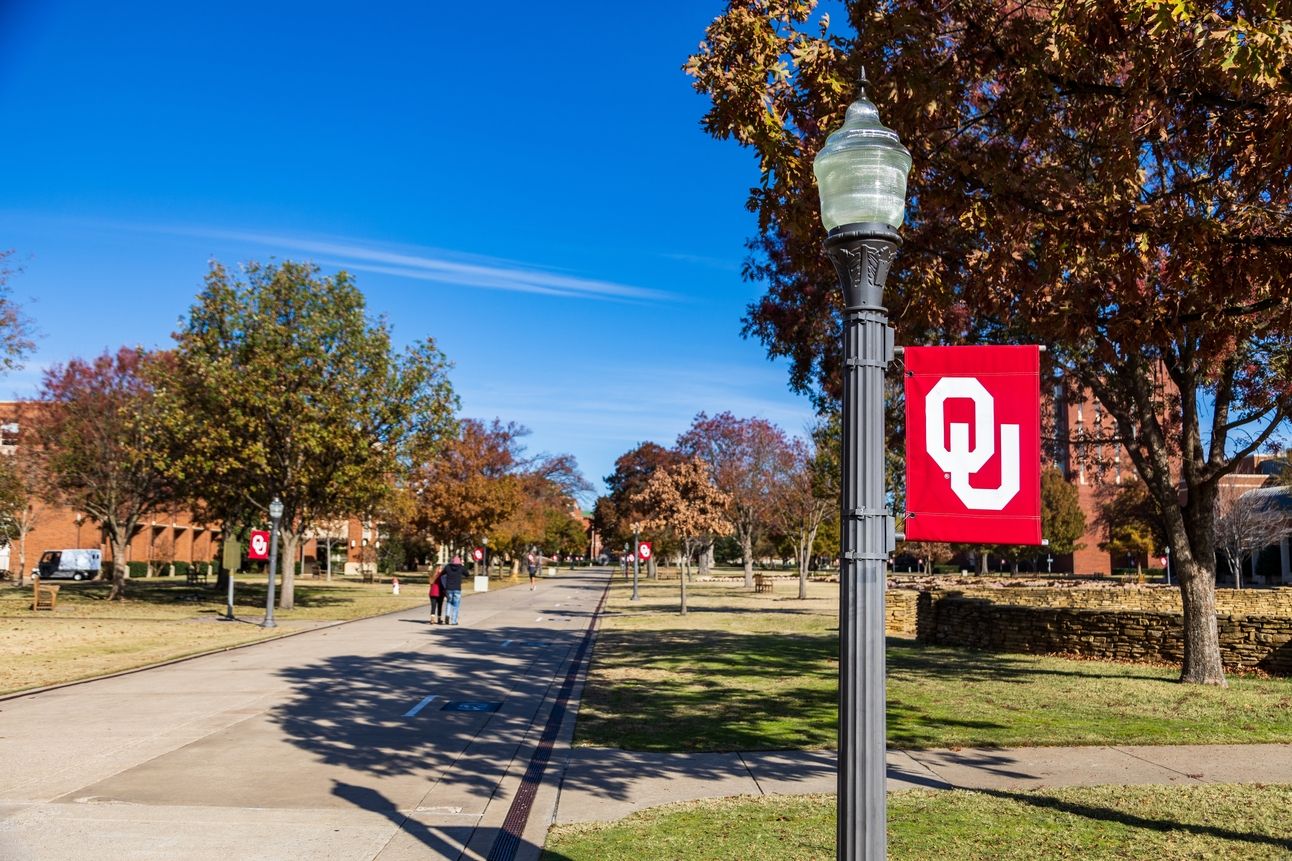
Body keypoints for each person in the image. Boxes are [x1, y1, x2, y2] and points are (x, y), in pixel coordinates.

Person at [438, 555, 467, 625]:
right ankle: (454, 621)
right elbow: (467, 574)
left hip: (448, 588)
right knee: (456, 605)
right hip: (457, 588)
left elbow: (441, 574)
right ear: (459, 562)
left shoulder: (448, 567)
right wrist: (462, 566)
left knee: (449, 602)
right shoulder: (461, 567)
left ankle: (447, 615)